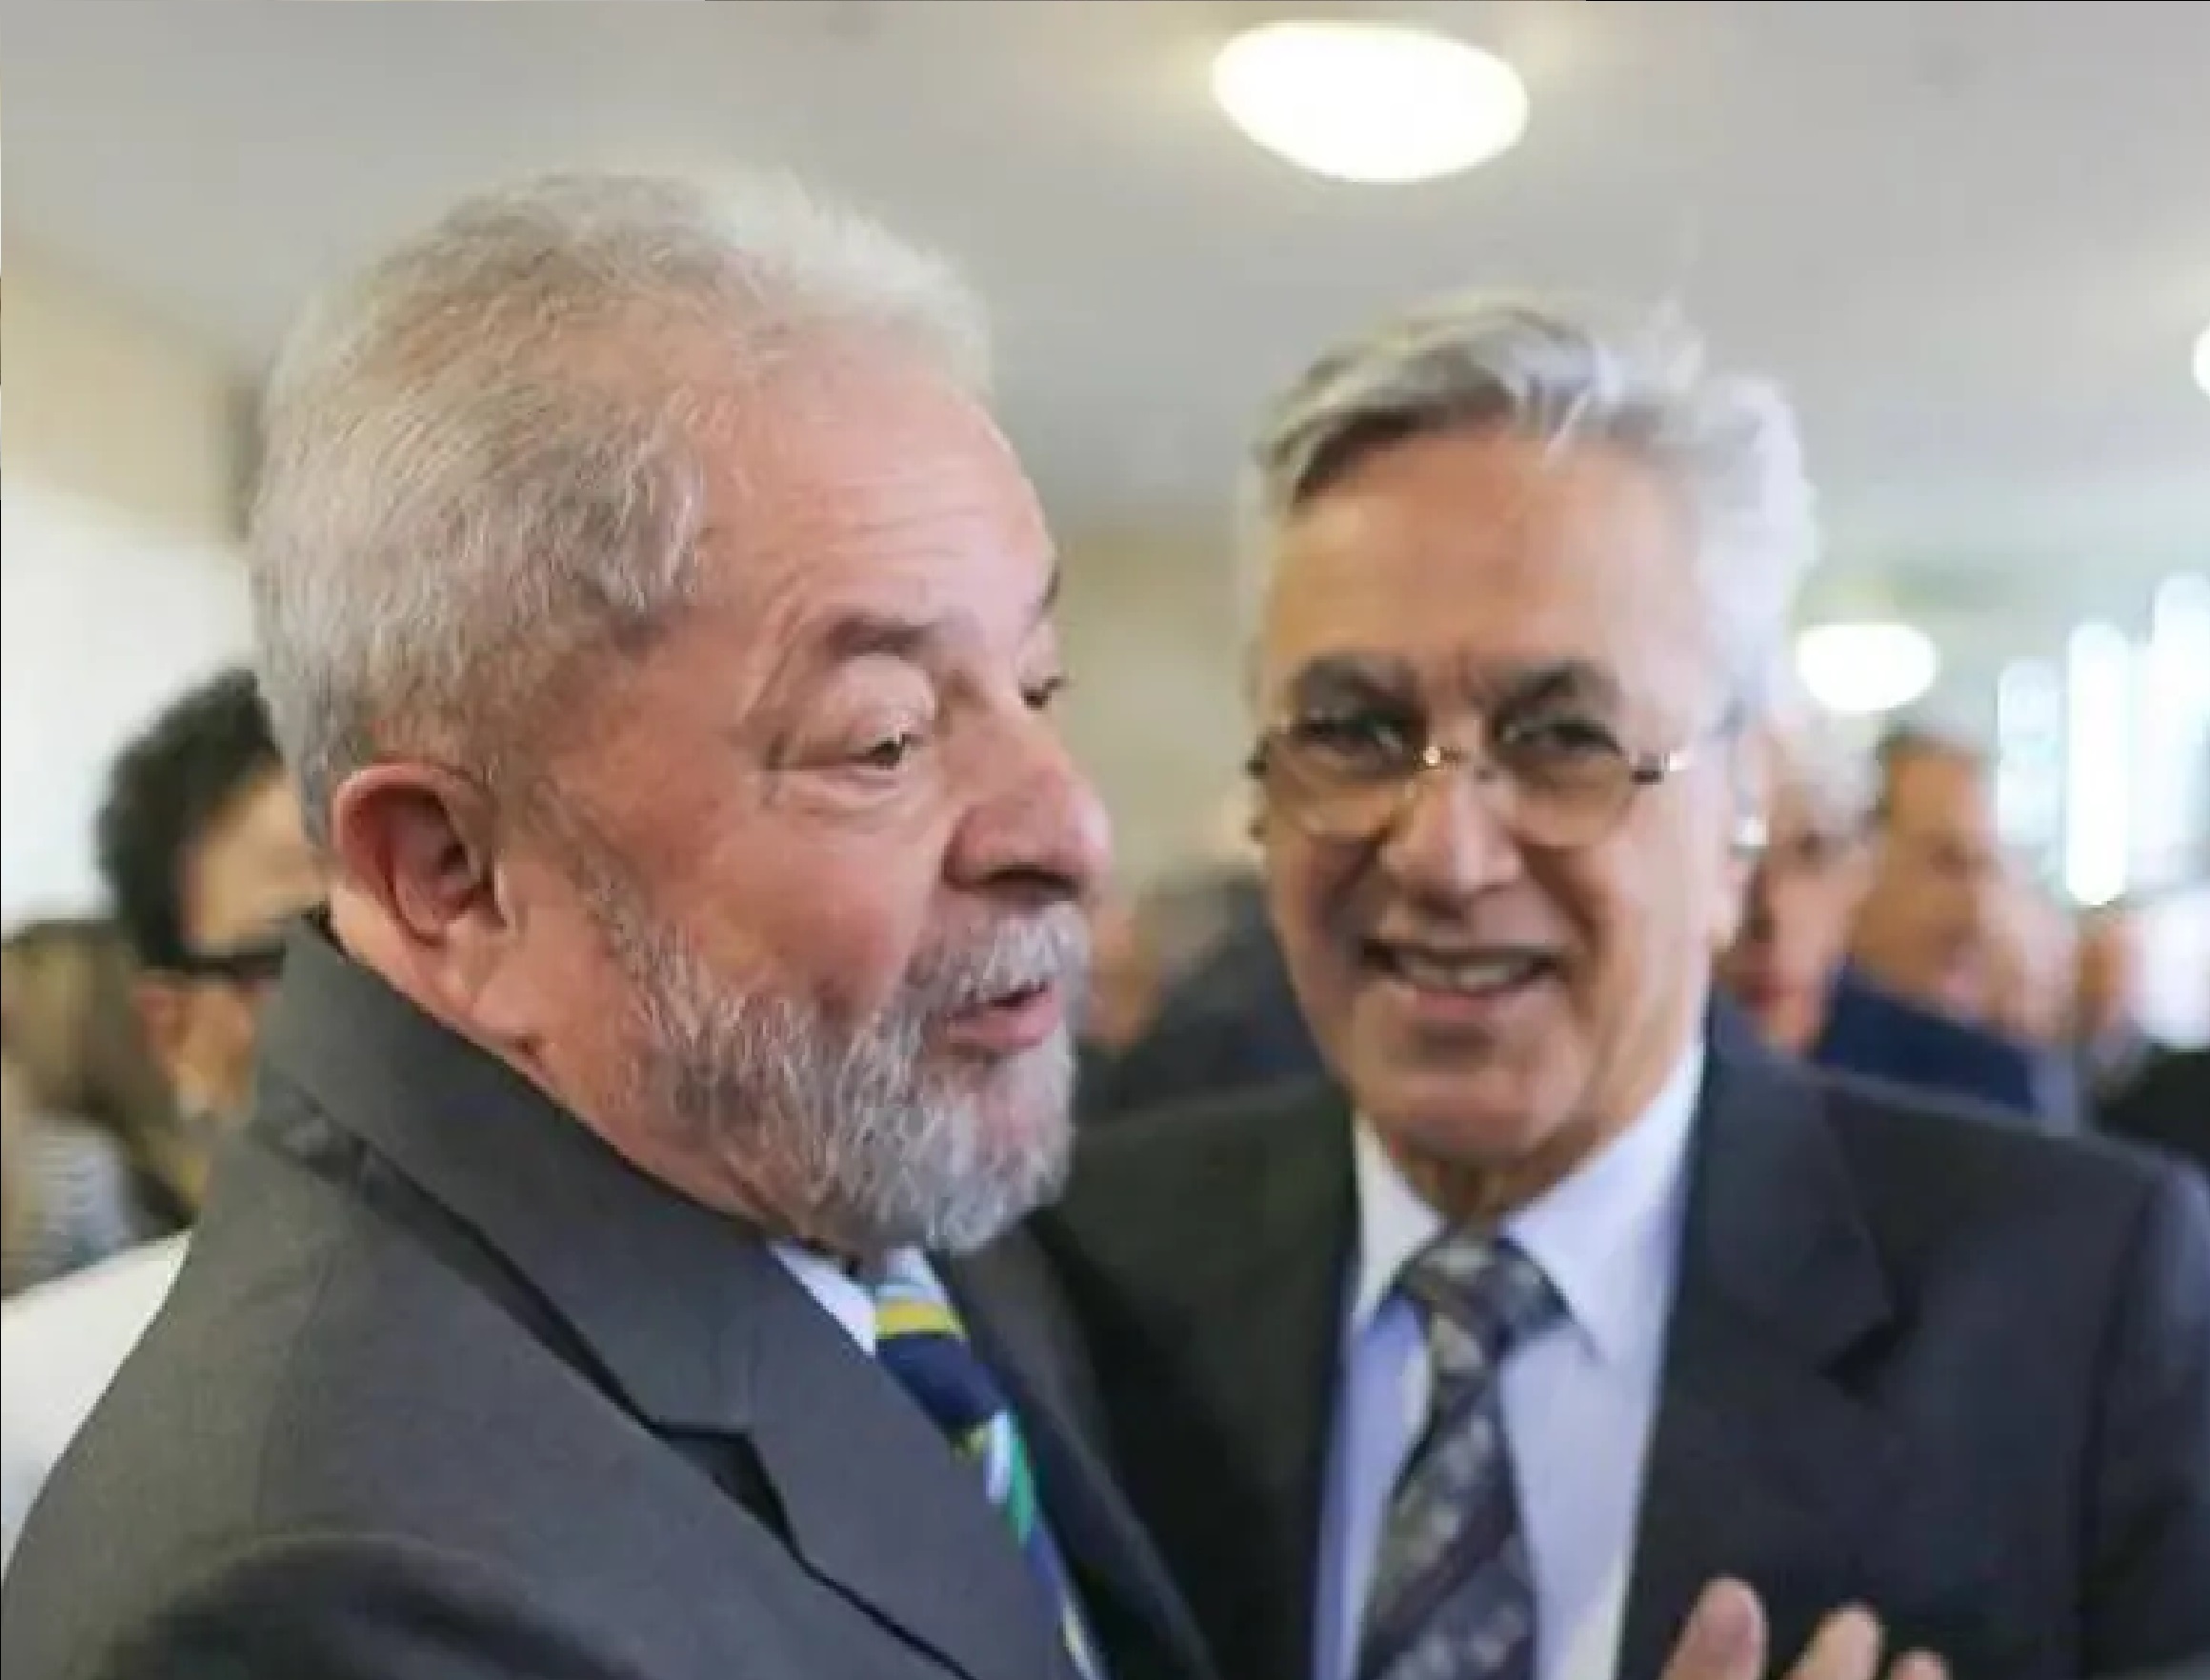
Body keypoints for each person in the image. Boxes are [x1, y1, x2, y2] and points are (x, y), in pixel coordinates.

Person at [1035, 296, 2210, 1680]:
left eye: (1561, 739)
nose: (1444, 852)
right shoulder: (1080, 1271)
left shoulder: (2076, 1306)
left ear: (1740, 819)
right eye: (1354, 732)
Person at [1, 669, 323, 1565]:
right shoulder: (52, 1416)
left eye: (458, 890)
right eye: (311, 950)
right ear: (174, 1031)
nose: (421, 999)